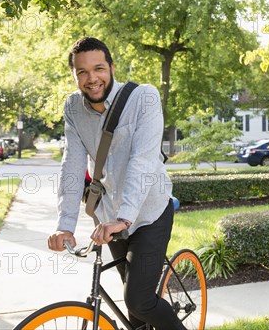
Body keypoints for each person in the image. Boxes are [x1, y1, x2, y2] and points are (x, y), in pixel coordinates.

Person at [48, 37, 186, 330]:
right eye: (82, 72)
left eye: (98, 68)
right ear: (74, 75)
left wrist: (125, 218)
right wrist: (65, 224)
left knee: (139, 300)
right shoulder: (73, 107)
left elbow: (143, 161)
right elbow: (72, 164)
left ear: (111, 67)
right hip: (109, 216)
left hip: (149, 212)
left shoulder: (144, 98)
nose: (91, 78)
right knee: (134, 309)